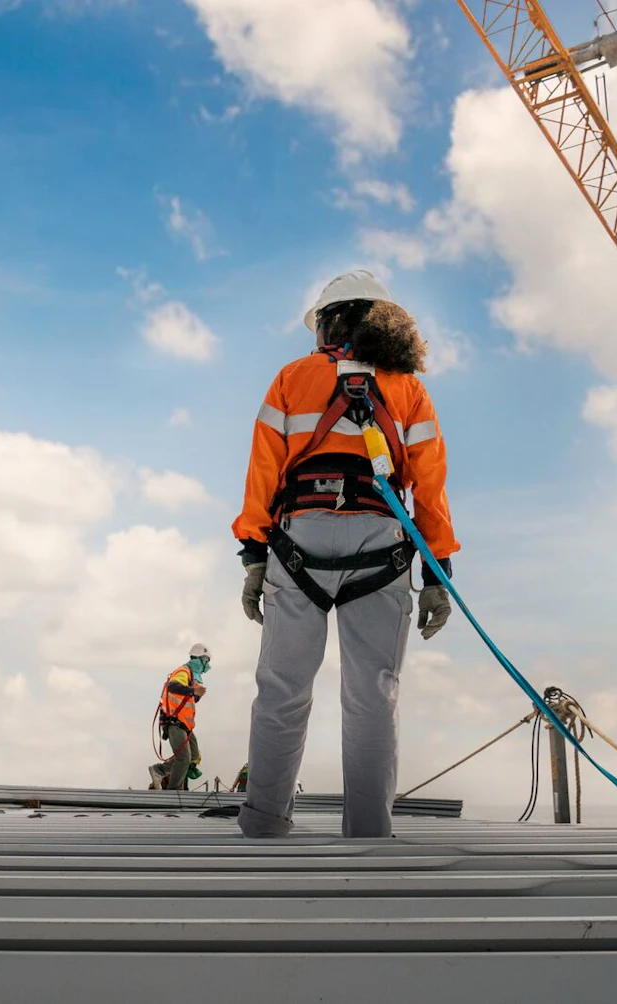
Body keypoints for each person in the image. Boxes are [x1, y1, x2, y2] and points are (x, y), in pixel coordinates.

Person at [234, 270, 459, 839]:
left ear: (329, 322)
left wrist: (254, 553)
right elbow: (429, 486)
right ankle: (368, 832)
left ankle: (263, 823)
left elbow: (263, 472)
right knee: (373, 694)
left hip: (298, 542)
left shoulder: (291, 378)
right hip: (380, 544)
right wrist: (437, 571)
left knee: (282, 689)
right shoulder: (407, 387)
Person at [148, 644, 211, 791]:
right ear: (199, 659)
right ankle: (173, 790)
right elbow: (173, 686)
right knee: (184, 758)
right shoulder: (184, 671)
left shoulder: (192, 678)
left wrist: (196, 693)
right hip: (175, 723)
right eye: (206, 661)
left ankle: (160, 771)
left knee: (193, 757)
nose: (207, 665)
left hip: (185, 725)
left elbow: (190, 700)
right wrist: (193, 690)